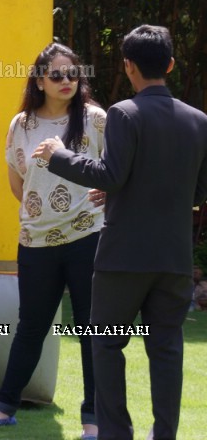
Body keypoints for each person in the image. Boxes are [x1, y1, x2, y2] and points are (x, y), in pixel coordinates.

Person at [37, 25, 207, 440]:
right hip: (174, 258)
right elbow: (198, 190)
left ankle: (116, 434)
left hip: (123, 258)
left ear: (128, 66)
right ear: (169, 64)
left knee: (107, 345)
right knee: (166, 349)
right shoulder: (199, 120)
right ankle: (164, 433)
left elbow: (111, 175)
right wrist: (119, 192)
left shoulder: (124, 113)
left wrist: (59, 156)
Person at [0, 43, 105, 439]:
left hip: (89, 236)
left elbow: (117, 172)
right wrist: (42, 211)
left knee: (92, 329)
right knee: (31, 326)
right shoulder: (21, 124)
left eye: (73, 74)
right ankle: (3, 408)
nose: (67, 81)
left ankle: (93, 420)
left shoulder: (97, 120)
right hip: (35, 242)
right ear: (39, 81)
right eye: (57, 75)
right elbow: (18, 183)